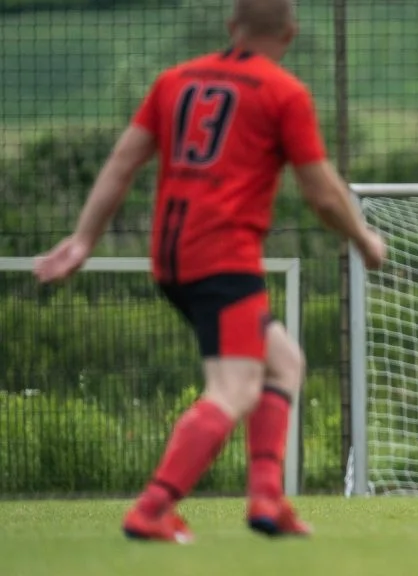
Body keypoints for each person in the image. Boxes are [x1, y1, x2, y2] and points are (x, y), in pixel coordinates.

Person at [33, 0, 386, 543]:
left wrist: (83, 240)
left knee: (284, 359)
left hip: (171, 258)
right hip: (223, 258)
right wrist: (363, 239)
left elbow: (123, 163)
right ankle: (153, 507)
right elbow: (320, 192)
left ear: (231, 26)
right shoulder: (282, 92)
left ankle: (267, 498)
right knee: (235, 387)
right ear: (290, 33)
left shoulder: (175, 81)